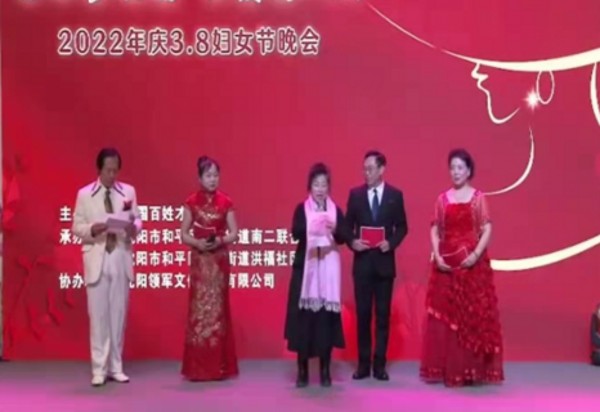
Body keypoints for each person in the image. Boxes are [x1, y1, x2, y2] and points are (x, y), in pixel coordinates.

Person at [420, 148, 504, 387]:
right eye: (452, 168)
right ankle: (450, 369)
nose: (455, 172)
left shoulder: (478, 198)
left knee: (471, 318)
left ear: (468, 171)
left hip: (471, 266)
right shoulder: (442, 199)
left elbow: (487, 228)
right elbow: (435, 229)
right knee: (447, 318)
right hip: (447, 265)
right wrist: (437, 255)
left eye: (460, 168)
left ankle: (470, 370)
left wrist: (476, 255)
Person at [72, 148, 142, 387]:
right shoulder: (85, 194)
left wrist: (134, 228)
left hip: (120, 255)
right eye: (108, 170)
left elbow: (137, 218)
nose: (112, 175)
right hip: (97, 257)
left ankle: (116, 367)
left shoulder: (128, 192)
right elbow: (76, 226)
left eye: (115, 170)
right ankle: (99, 369)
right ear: (99, 169)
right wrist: (93, 229)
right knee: (99, 317)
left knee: (118, 315)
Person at [284, 163, 351, 388]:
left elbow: (344, 236)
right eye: (316, 184)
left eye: (324, 185)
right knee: (304, 322)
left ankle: (325, 370)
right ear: (309, 187)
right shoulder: (301, 209)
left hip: (328, 275)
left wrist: (333, 228)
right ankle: (302, 370)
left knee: (325, 323)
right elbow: (295, 233)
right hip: (305, 273)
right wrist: (313, 226)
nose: (320, 189)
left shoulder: (335, 210)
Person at [345, 150, 408, 381]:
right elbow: (346, 226)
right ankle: (363, 365)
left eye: (370, 169)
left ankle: (379, 365)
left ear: (382, 169)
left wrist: (390, 243)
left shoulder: (395, 195)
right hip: (362, 265)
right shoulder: (355, 195)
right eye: (364, 169)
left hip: (384, 266)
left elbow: (403, 227)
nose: (366, 173)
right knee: (362, 316)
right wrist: (353, 241)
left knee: (382, 317)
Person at [180, 156, 239, 381]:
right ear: (200, 178)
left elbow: (234, 233)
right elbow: (183, 234)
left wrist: (220, 240)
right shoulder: (191, 201)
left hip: (218, 263)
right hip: (200, 262)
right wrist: (197, 243)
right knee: (199, 312)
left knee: (218, 311)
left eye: (215, 175)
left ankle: (219, 367)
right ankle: (197, 367)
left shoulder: (226, 202)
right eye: (208, 175)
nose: (213, 179)